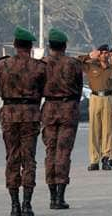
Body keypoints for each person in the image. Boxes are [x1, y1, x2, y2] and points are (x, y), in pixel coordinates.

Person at [0, 27, 46, 216]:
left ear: (15, 45)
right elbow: (42, 90)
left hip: (9, 113)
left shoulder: (2, 65)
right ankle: (27, 204)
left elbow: (0, 90)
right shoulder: (40, 67)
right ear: (30, 46)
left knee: (12, 158)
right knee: (29, 159)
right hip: (31, 114)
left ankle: (14, 204)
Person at [41, 28, 83, 210]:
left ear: (50, 45)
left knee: (50, 151)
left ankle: (52, 196)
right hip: (68, 109)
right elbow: (79, 88)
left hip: (49, 109)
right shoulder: (73, 64)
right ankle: (60, 196)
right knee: (64, 152)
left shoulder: (42, 64)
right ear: (65, 46)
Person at [80, 44, 112, 171]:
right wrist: (89, 56)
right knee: (94, 130)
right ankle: (94, 160)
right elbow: (76, 62)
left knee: (108, 130)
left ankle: (106, 158)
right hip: (95, 98)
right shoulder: (91, 66)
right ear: (98, 54)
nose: (105, 55)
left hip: (108, 98)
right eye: (103, 53)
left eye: (107, 53)